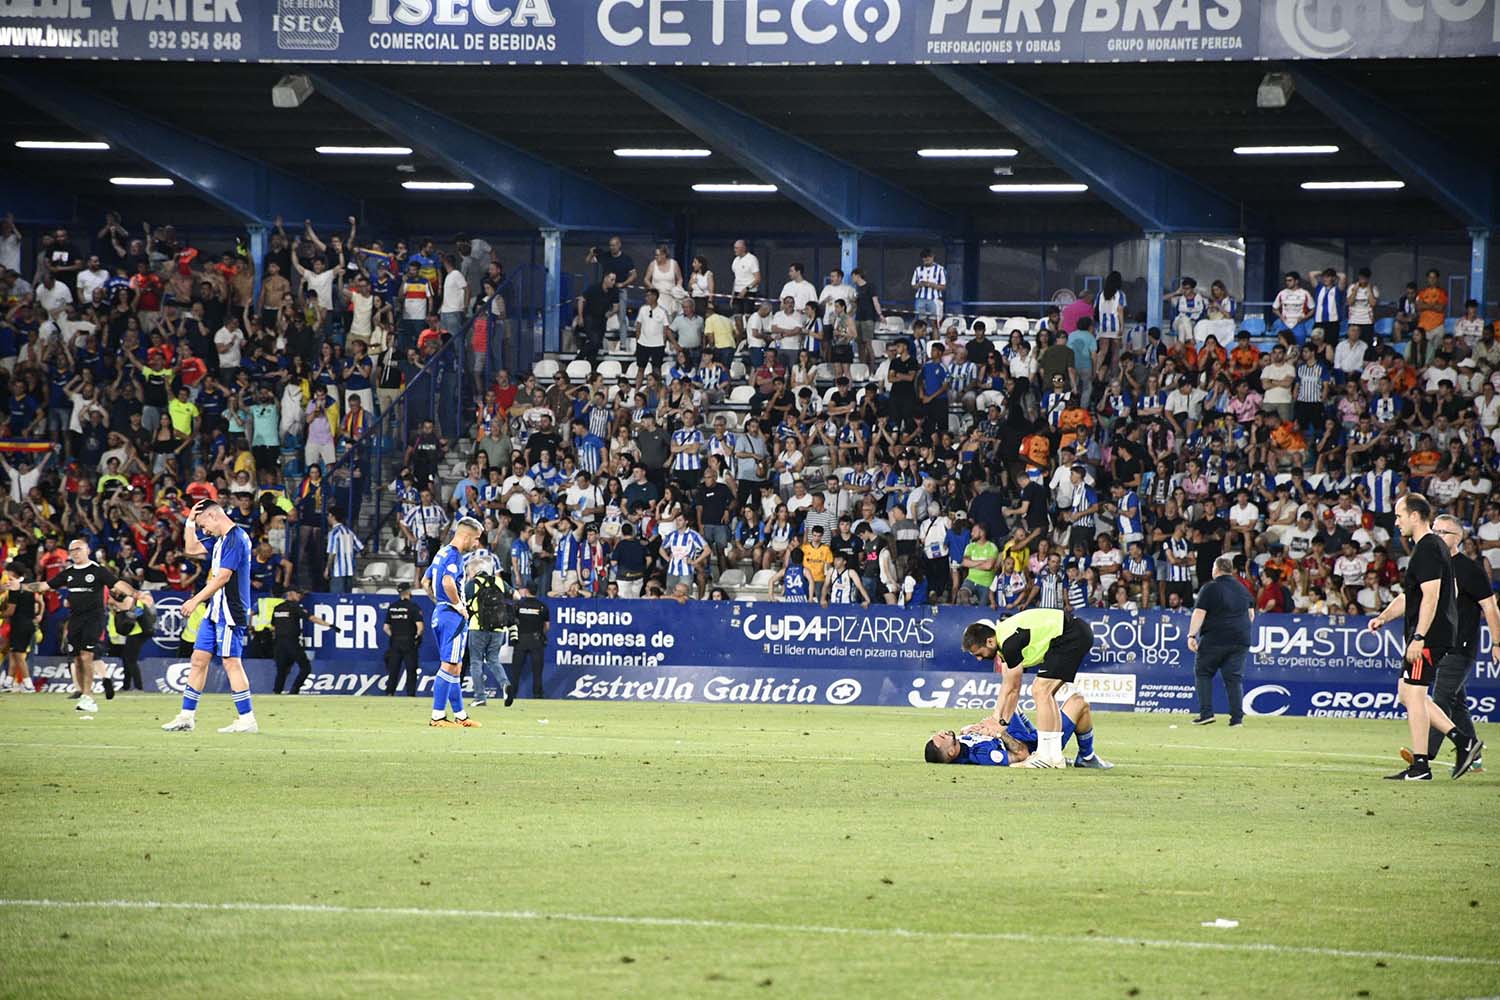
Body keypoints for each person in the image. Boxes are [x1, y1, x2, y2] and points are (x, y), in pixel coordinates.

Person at [1366, 494, 1482, 780]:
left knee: (1415, 694)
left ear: (1415, 515)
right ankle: (1463, 740)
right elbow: (1413, 595)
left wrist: (1419, 637)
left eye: (1399, 515)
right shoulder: (1429, 548)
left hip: (1429, 636)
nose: (1397, 522)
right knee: (1406, 693)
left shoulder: (1428, 548)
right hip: (1431, 634)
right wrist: (1384, 617)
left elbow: (1431, 597)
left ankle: (1421, 766)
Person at [1393, 515, 1493, 774]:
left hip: (1458, 645)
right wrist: (1383, 616)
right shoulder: (1435, 562)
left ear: (1457, 538)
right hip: (1440, 641)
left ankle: (1425, 755)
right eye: (1435, 530)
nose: (1437, 535)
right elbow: (1410, 596)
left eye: (1444, 532)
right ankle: (1470, 749)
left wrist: (1498, 642)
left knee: (1435, 696)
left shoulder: (1470, 570)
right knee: (1455, 703)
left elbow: (1490, 607)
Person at [161, 500, 259, 734]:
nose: (204, 530)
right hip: (215, 611)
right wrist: (189, 522)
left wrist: (195, 600)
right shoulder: (220, 540)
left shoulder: (236, 538)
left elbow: (223, 577)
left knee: (230, 662)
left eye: (204, 524)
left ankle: (247, 719)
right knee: (198, 659)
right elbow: (191, 548)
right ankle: (186, 716)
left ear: (214, 516)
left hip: (230, 612)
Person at [962, 608, 1099, 768]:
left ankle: (1045, 756)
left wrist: (1001, 723)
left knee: (1040, 690)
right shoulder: (1002, 640)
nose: (979, 659)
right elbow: (1006, 684)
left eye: (979, 653)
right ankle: (1053, 756)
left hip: (1071, 635)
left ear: (990, 642)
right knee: (1046, 692)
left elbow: (1014, 688)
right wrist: (995, 718)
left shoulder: (1009, 643)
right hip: (1073, 633)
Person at [22, 538, 138, 714]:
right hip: (75, 620)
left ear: (87, 550)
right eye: (72, 550)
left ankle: (88, 697)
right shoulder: (68, 573)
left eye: (78, 549)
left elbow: (117, 583)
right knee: (77, 658)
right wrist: (21, 586)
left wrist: (135, 593)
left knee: (86, 655)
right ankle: (85, 693)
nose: (75, 552)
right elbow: (45, 585)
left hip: (94, 620)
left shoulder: (97, 571)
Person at [924, 694, 1111, 768]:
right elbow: (1023, 754)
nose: (943, 732)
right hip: (1039, 745)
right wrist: (998, 732)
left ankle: (1031, 729)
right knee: (1079, 703)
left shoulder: (962, 743)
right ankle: (1087, 757)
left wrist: (969, 730)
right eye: (942, 737)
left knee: (1007, 701)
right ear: (950, 752)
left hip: (1023, 735)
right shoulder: (982, 755)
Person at [424, 516, 485, 728]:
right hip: (452, 617)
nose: (476, 544)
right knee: (449, 665)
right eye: (476, 539)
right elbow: (447, 581)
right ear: (466, 536)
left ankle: (460, 715)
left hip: (441, 613)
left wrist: (439, 603)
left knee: (455, 667)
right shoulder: (455, 555)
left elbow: (425, 581)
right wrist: (458, 605)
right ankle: (438, 716)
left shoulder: (440, 553)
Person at [1187, 555, 1254, 726]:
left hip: (1216, 638)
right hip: (1241, 639)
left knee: (1203, 672)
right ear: (1230, 570)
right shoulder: (1243, 588)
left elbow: (1199, 613)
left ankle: (1206, 713)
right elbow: (1251, 614)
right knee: (1234, 678)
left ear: (1215, 570)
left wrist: (1192, 635)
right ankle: (1237, 719)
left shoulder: (1210, 588)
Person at [270, 588, 337, 696]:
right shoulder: (295, 607)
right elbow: (312, 618)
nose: (300, 597)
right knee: (305, 668)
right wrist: (329, 625)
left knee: (282, 670)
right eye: (298, 594)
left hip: (279, 643)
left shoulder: (277, 608)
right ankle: (294, 690)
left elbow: (273, 625)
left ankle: (277, 692)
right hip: (292, 642)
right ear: (290, 594)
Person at [465, 563, 515, 709]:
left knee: (476, 662)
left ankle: (480, 697)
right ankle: (505, 684)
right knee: (493, 660)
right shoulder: (499, 581)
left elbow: (460, 602)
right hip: (498, 628)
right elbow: (515, 595)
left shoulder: (471, 584)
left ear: (474, 571)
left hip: (477, 627)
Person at [107, 589, 156, 693]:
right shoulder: (128, 603)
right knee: (126, 659)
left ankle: (138, 687)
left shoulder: (132, 602)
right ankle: (126, 686)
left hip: (137, 633)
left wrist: (119, 606)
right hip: (135, 633)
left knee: (130, 659)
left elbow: (135, 615)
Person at [382, 582, 425, 697]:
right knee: (411, 669)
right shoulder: (413, 607)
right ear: (409, 591)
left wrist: (394, 636)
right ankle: (410, 694)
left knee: (394, 669)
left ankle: (390, 692)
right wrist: (416, 637)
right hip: (409, 642)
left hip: (395, 641)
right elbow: (420, 627)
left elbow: (385, 628)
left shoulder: (392, 607)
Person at [512, 585, 549, 699]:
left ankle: (512, 693)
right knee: (537, 670)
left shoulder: (518, 605)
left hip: (521, 639)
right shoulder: (542, 606)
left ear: (526, 591)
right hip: (536, 640)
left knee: (516, 670)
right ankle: (537, 694)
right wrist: (540, 633)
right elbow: (547, 625)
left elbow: (513, 621)